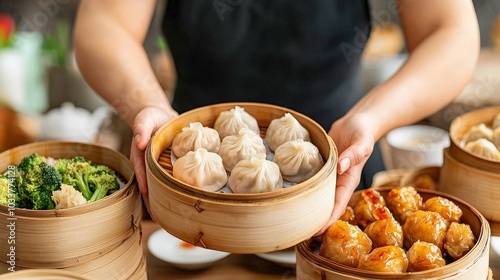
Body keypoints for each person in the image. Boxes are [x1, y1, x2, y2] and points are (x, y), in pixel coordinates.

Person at [74, 0, 479, 234]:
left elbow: (451, 32)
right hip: (186, 194)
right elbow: (102, 23)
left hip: (339, 173)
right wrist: (147, 105)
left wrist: (371, 118)